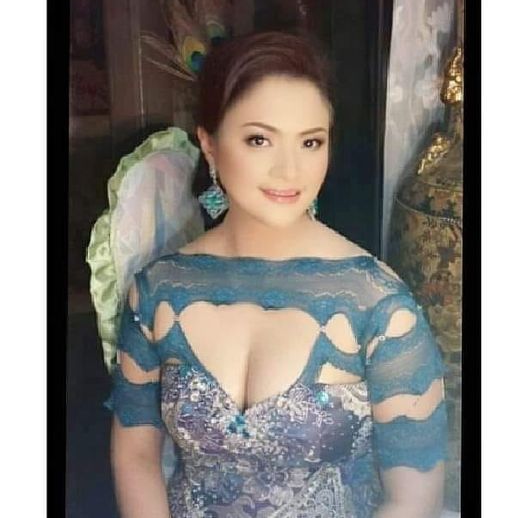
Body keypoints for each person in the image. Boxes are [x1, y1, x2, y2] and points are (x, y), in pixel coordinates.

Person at [107, 31, 447, 518]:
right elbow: (136, 457)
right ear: (209, 144)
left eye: (311, 142)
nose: (290, 170)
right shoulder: (157, 291)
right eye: (260, 139)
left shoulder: (378, 305)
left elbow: (414, 499)